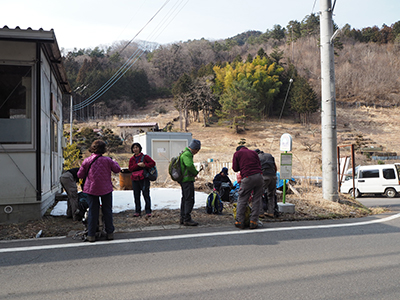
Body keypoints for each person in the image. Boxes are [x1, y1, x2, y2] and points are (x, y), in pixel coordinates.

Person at [78, 140, 121, 242]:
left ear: (92, 148)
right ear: (103, 149)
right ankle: (109, 233)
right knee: (107, 210)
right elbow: (117, 169)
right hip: (106, 188)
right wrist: (114, 161)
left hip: (91, 189)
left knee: (93, 211)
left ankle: (91, 235)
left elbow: (80, 175)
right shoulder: (108, 160)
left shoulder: (87, 161)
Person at [232, 145, 264, 229]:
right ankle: (253, 221)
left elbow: (235, 168)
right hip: (259, 176)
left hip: (247, 177)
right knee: (257, 199)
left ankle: (240, 221)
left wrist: (241, 165)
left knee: (242, 198)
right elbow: (259, 165)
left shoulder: (237, 153)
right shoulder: (254, 153)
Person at [128, 142, 156, 217]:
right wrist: (137, 165)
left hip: (144, 178)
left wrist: (145, 165)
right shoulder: (132, 159)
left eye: (137, 147)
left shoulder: (145, 157)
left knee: (146, 194)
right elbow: (130, 168)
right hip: (135, 179)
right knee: (136, 195)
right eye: (134, 148)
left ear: (140, 148)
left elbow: (153, 163)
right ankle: (137, 211)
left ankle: (148, 210)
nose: (135, 149)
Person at [179, 139, 202, 226]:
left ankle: (183, 217)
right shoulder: (187, 154)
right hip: (187, 180)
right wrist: (195, 172)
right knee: (189, 199)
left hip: (184, 180)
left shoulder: (183, 153)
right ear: (195, 149)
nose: (197, 152)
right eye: (197, 150)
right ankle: (187, 219)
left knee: (185, 199)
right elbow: (189, 165)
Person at [255, 149, 278, 218]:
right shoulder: (269, 156)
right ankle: (271, 212)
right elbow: (275, 167)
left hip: (264, 177)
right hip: (273, 176)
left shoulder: (257, 157)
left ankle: (260, 212)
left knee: (258, 194)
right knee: (271, 195)